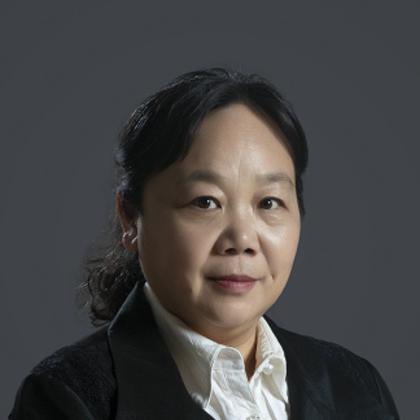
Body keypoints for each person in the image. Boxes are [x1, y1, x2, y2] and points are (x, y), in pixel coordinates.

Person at [9, 67, 400, 419]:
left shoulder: (355, 386)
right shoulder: (67, 400)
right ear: (130, 217)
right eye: (205, 202)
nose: (242, 240)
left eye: (268, 203)